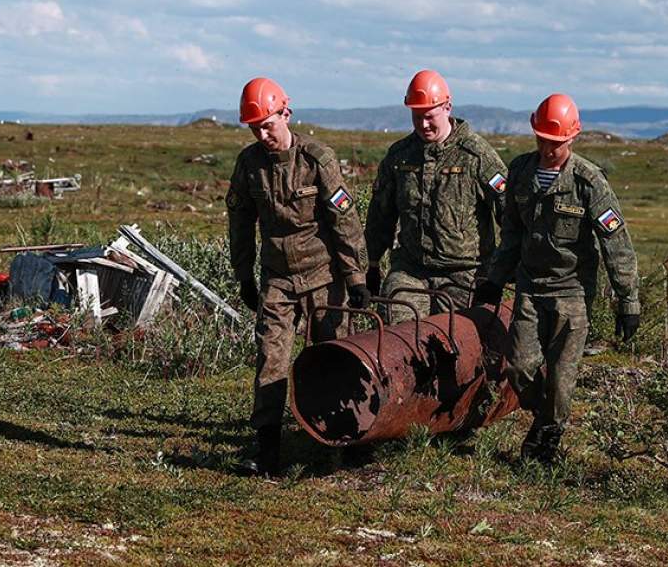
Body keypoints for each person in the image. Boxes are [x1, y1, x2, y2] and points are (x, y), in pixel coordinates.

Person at [473, 94, 641, 464]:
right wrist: (495, 279)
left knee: (562, 378)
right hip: (531, 286)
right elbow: (512, 234)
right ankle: (544, 415)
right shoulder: (520, 172)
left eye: (556, 142)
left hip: (573, 292)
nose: (548, 148)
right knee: (518, 366)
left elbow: (617, 243)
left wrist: (628, 302)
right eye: (542, 140)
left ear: (572, 137)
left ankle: (546, 441)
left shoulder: (588, 182)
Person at [226, 77, 370, 475]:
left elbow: (345, 221)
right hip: (278, 278)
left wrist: (356, 278)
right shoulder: (249, 164)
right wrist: (244, 277)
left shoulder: (316, 158)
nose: (262, 133)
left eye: (267, 124)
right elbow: (239, 223)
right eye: (254, 127)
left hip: (324, 277)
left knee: (336, 358)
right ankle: (267, 449)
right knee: (271, 360)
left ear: (285, 113)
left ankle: (348, 441)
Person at [364, 69, 506, 322]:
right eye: (416, 117)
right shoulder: (400, 156)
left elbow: (510, 211)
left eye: (429, 116)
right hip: (411, 269)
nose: (423, 124)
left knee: (458, 342)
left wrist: (502, 270)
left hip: (465, 272)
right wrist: (372, 263)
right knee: (396, 335)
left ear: (447, 108)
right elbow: (380, 214)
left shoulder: (476, 156)